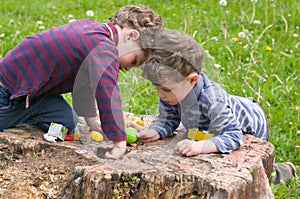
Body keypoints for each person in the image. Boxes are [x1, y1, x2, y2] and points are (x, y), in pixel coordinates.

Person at [0, 5, 164, 160]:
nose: (128, 68)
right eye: (134, 60)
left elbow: (83, 84)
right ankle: (15, 115)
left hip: (35, 95)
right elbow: (108, 92)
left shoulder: (91, 31)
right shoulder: (105, 48)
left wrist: (92, 121)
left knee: (67, 120)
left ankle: (23, 114)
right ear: (131, 36)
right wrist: (119, 140)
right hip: (9, 92)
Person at [135, 29, 296, 184]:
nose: (160, 95)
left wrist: (200, 146)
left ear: (192, 80)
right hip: (211, 127)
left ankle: (282, 172)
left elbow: (233, 136)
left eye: (165, 89)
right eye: (156, 88)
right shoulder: (172, 94)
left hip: (248, 128)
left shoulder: (211, 100)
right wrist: (156, 130)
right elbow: (169, 118)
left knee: (247, 173)